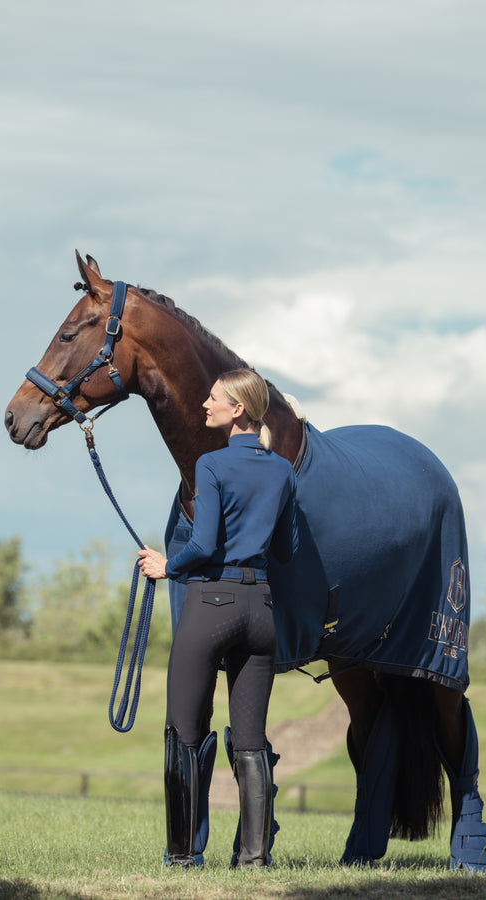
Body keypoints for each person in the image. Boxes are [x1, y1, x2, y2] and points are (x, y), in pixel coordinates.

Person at [138, 368, 298, 869]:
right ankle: (253, 859)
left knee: (183, 731)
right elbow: (288, 551)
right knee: (251, 740)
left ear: (238, 411)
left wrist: (168, 567)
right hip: (262, 611)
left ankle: (184, 857)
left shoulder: (210, 465)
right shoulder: (283, 471)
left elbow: (203, 543)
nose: (204, 405)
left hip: (211, 606)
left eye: (213, 399)